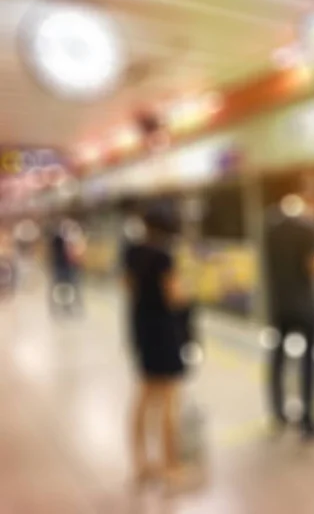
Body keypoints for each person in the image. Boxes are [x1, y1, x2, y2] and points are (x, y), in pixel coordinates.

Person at [263, 192, 314, 440]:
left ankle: (278, 414)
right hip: (305, 306)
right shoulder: (310, 229)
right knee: (309, 362)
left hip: (278, 305)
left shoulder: (270, 229)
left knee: (277, 360)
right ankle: (308, 421)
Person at [123, 207, 188, 486]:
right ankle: (170, 467)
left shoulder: (130, 253)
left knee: (143, 396)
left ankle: (140, 464)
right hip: (165, 331)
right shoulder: (164, 256)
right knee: (169, 400)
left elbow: (127, 288)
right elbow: (174, 296)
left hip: (141, 329)